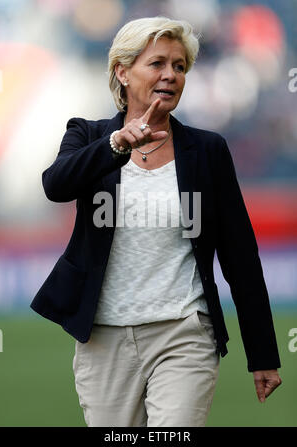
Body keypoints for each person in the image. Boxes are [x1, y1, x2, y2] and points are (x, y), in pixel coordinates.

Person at [30, 16, 282, 427]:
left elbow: (241, 257)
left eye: (179, 67)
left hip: (184, 334)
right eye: (158, 64)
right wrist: (117, 144)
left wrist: (264, 355)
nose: (170, 75)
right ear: (122, 72)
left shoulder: (208, 150)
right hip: (104, 338)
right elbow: (56, 185)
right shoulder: (88, 135)